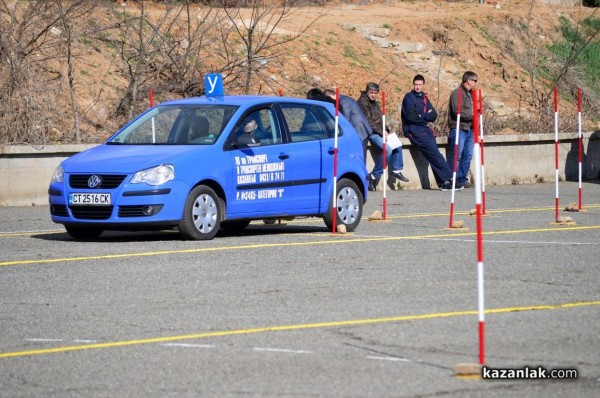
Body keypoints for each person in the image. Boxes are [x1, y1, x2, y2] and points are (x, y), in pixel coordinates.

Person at [400, 74, 454, 191]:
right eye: (416, 84)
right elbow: (411, 117)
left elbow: (433, 115)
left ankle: (443, 182)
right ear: (413, 84)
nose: (418, 87)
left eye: (420, 84)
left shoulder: (424, 97)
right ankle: (449, 178)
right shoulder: (408, 98)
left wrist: (422, 116)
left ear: (423, 85)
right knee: (434, 153)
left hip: (424, 128)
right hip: (413, 129)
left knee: (435, 154)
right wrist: (425, 116)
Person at [357, 82, 409, 191]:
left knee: (397, 143)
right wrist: (382, 132)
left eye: (375, 93)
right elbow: (369, 122)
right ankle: (374, 175)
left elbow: (380, 118)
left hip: (379, 131)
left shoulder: (374, 103)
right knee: (387, 150)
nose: (373, 95)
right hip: (371, 132)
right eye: (371, 92)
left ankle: (396, 170)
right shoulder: (363, 102)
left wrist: (386, 130)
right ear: (367, 92)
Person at [322, 88, 372, 163]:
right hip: (358, 129)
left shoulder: (343, 102)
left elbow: (345, 120)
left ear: (332, 96)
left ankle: (363, 174)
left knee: (360, 157)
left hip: (360, 131)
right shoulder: (343, 99)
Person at [447, 71, 478, 189]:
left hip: (470, 129)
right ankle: (453, 179)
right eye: (475, 81)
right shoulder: (457, 93)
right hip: (459, 128)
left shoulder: (472, 94)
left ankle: (462, 178)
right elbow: (457, 110)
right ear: (469, 81)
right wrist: (472, 116)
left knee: (468, 155)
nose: (476, 83)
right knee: (457, 155)